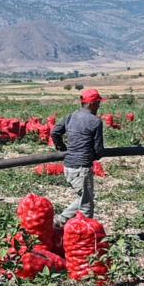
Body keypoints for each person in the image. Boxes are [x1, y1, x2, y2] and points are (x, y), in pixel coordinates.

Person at [51, 89, 106, 227]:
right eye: (98, 103)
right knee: (86, 205)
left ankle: (62, 221)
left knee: (85, 198)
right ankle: (81, 231)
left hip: (68, 166)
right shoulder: (95, 121)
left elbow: (54, 132)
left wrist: (62, 147)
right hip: (82, 167)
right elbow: (99, 150)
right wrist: (95, 155)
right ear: (93, 104)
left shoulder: (71, 116)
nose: (99, 106)